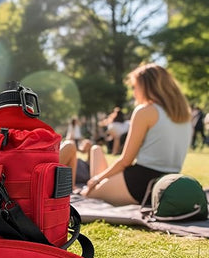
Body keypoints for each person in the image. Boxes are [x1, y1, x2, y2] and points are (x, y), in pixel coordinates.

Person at [81, 63, 192, 206]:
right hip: (168, 185)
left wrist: (96, 180)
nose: (134, 93)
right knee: (96, 150)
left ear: (147, 87)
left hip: (139, 183)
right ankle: (98, 176)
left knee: (89, 194)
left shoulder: (145, 111)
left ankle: (96, 180)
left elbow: (126, 161)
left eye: (135, 87)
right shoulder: (184, 115)